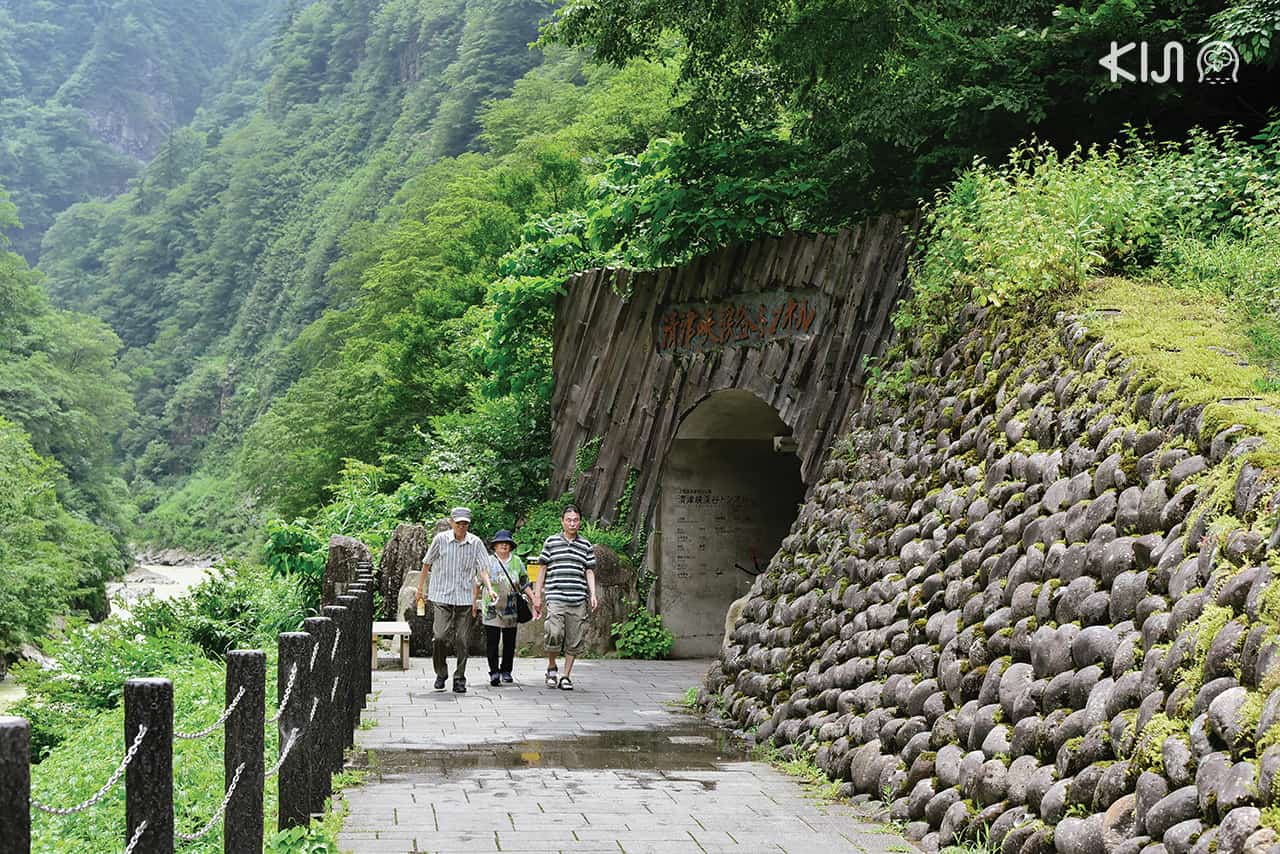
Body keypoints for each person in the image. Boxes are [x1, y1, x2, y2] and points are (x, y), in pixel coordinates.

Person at [417, 506, 489, 693]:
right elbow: (427, 562)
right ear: (451, 523)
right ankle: (441, 672)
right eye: (459, 523)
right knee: (440, 637)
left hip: (464, 597)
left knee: (462, 640)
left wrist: (489, 588)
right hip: (442, 595)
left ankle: (459, 677)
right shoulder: (440, 540)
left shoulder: (475, 543)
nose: (462, 527)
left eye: (465, 524)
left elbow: (482, 568)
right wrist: (420, 588)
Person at [532, 505, 597, 690]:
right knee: (554, 632)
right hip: (555, 596)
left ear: (580, 522)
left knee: (574, 639)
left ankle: (566, 676)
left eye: (575, 520)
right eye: (568, 520)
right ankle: (552, 667)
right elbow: (542, 569)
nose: (572, 523)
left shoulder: (585, 545)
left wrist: (593, 594)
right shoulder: (551, 542)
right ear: (562, 521)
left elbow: (589, 571)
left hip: (578, 598)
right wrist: (537, 595)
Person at [473, 530, 533, 686]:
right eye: (501, 543)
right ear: (495, 546)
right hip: (491, 609)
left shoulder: (517, 562)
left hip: (511, 609)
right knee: (492, 642)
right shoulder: (487, 561)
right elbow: (477, 584)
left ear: (511, 546)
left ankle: (506, 670)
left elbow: (524, 583)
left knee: (509, 642)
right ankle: (493, 672)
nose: (504, 545)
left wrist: (535, 599)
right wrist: (474, 603)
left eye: (507, 543)